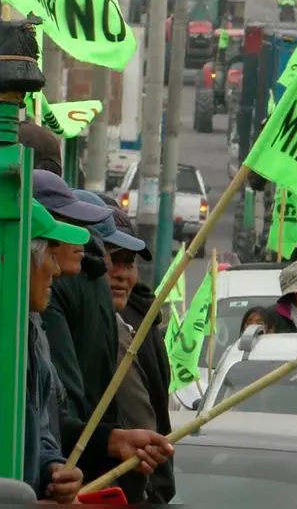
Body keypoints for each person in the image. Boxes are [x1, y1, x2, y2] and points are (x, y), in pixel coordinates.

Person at [35, 176, 173, 490]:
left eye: (128, 262)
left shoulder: (135, 322)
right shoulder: (27, 317)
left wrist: (55, 470)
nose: (105, 265)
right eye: (71, 232)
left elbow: (46, 426)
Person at [100, 205, 176, 504]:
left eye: (128, 262)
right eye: (112, 260)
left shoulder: (138, 325)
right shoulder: (74, 324)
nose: (120, 274)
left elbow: (148, 416)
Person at [26, 199, 87, 503]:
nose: (56, 268)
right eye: (51, 253)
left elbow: (41, 431)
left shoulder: (33, 335)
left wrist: (53, 469)